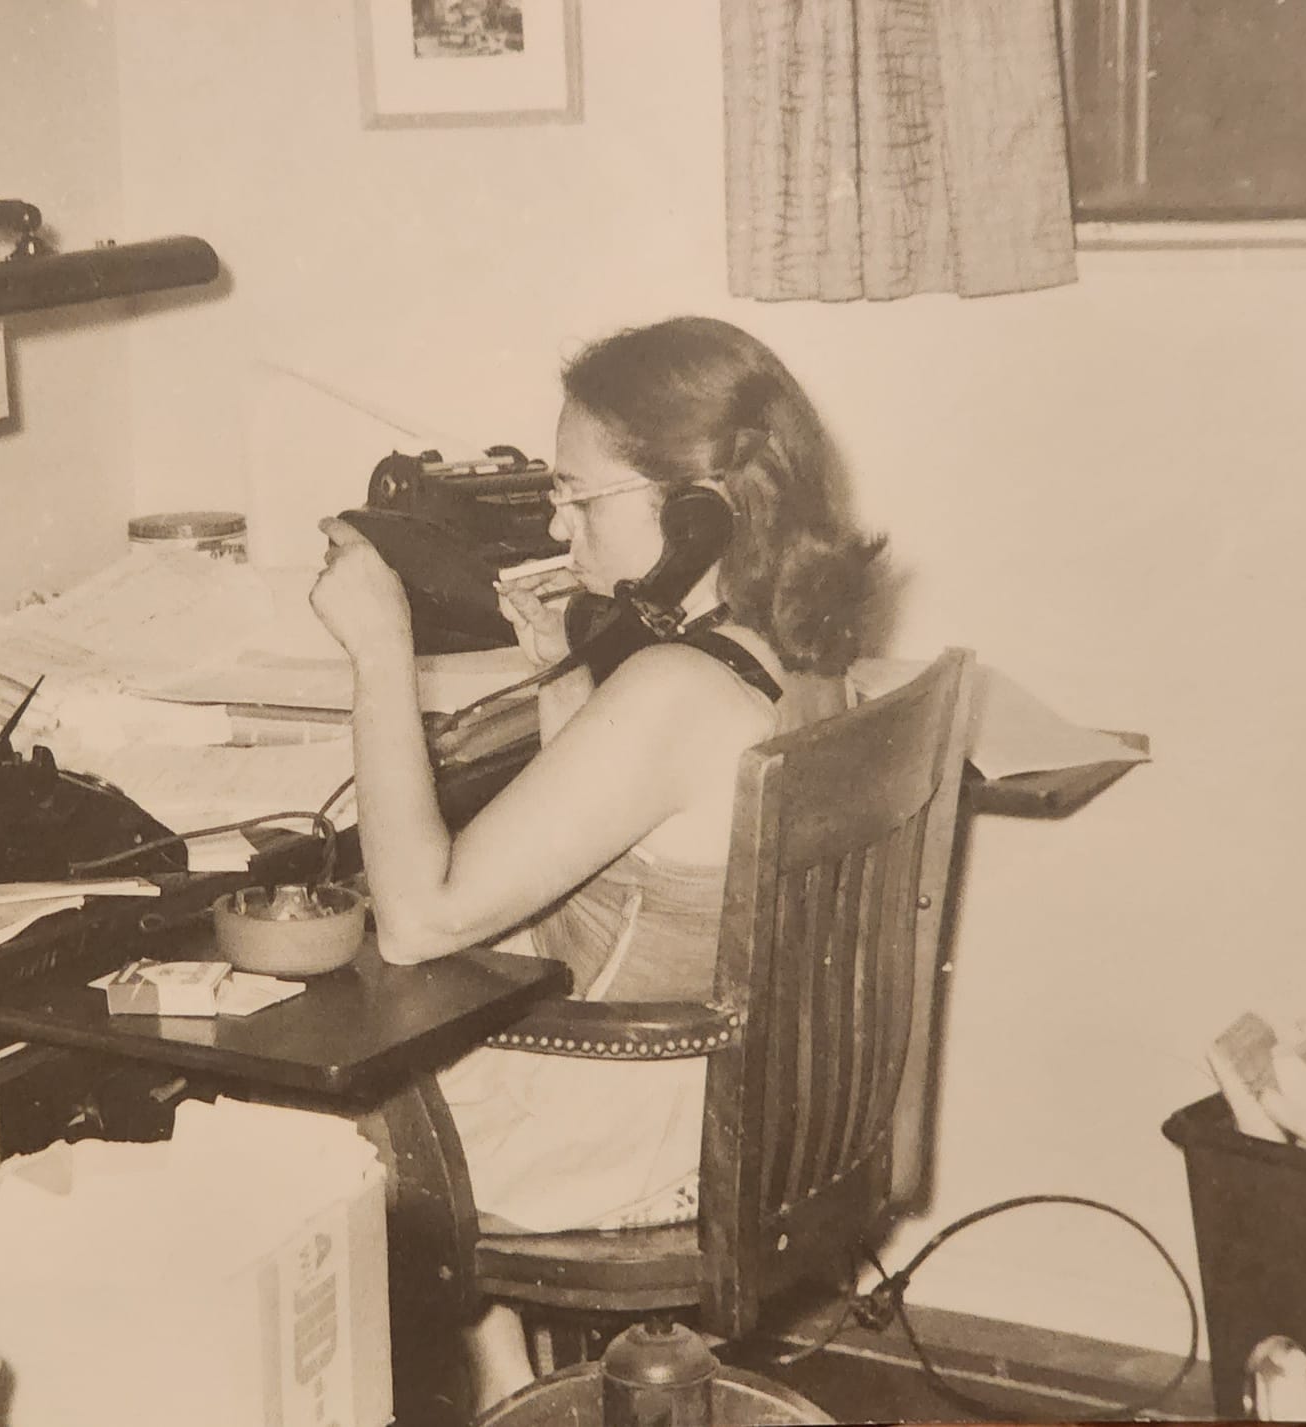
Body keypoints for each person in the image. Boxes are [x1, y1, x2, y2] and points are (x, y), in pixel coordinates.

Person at [310, 316, 894, 1406]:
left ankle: (487, 1383)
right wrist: (557, 670)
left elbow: (420, 916)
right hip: (751, 1110)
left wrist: (378, 654)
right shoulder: (796, 656)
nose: (554, 519)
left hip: (622, 1128)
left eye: (578, 496)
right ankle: (510, 1381)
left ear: (694, 512)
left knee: (284, 1086)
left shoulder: (674, 689)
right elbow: (628, 861)